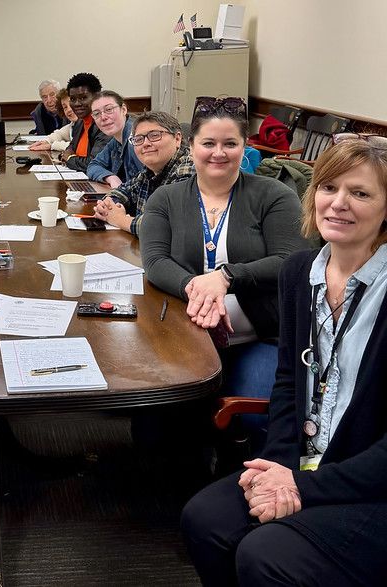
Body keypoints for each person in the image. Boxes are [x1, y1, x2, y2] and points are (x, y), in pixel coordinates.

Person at [181, 135, 387, 586]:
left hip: (370, 485)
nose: (338, 204)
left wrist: (302, 487)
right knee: (204, 519)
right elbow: (289, 382)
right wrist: (274, 469)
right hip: (305, 464)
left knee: (266, 554)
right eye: (329, 187)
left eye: (361, 193)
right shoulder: (301, 271)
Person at [140, 97, 307, 402]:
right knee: (158, 413)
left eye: (230, 143)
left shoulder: (275, 196)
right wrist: (198, 288)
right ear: (191, 146)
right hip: (185, 330)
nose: (218, 153)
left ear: (245, 147)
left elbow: (291, 261)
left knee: (255, 413)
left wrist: (225, 276)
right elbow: (155, 261)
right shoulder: (165, 198)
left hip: (260, 334)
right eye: (208, 143)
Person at [94, 111, 194, 234]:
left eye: (155, 135)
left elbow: (166, 226)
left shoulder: (189, 168)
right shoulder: (149, 171)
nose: (146, 144)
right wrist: (108, 205)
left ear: (177, 138)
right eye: (138, 139)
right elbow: (124, 190)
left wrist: (119, 219)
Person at [86, 91, 143, 188]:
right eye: (96, 114)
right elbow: (93, 165)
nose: (103, 117)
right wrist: (111, 177)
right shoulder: (116, 139)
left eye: (109, 109)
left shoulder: (135, 139)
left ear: (124, 110)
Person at [59, 72, 110, 171]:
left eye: (83, 98)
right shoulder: (80, 122)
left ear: (97, 96)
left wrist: (69, 159)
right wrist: (68, 155)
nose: (77, 104)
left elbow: (94, 163)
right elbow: (71, 148)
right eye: (73, 99)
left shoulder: (105, 124)